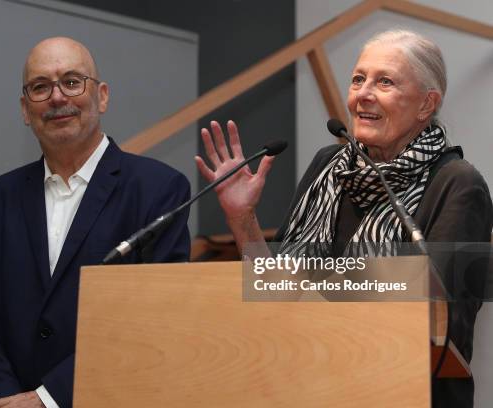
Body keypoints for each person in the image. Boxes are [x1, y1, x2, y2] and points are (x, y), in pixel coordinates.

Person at [196, 30, 492, 407]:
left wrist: (316, 284)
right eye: (358, 79)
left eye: (385, 81)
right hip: (307, 385)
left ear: (425, 104)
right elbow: (270, 289)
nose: (363, 94)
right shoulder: (328, 167)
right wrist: (243, 219)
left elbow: (448, 327)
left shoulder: (458, 184)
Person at [0, 37, 191, 408]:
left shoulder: (158, 190)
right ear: (25, 109)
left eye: (72, 81)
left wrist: (48, 399)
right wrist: (2, 397)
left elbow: (153, 317)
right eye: (40, 87)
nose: (57, 97)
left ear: (103, 96)